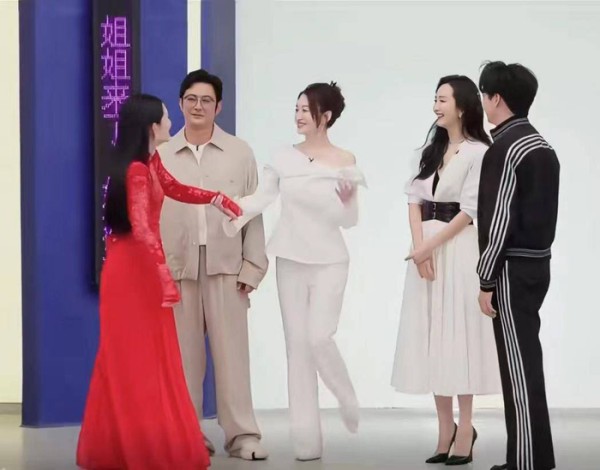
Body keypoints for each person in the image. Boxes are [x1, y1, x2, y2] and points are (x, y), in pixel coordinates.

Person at [76, 93, 241, 470]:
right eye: (167, 117)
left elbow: (177, 189)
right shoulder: (136, 171)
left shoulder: (151, 163)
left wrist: (216, 198)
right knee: (132, 359)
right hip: (133, 273)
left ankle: (138, 444)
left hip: (146, 269)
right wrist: (164, 276)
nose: (171, 122)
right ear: (152, 127)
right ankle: (136, 449)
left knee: (153, 358)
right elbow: (142, 228)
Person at [223, 81, 366, 461]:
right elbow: (262, 198)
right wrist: (232, 207)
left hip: (330, 260)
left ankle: (346, 395)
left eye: (306, 109)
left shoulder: (344, 159)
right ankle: (306, 442)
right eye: (297, 108)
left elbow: (349, 220)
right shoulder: (283, 157)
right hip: (289, 258)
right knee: (297, 349)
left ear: (326, 116)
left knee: (319, 337)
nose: (299, 115)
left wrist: (347, 201)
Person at [158, 69, 269, 460]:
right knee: (183, 362)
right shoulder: (162, 154)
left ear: (218, 107)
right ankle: (187, 436)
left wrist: (253, 267)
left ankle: (243, 436)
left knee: (232, 357)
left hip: (227, 266)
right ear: (180, 103)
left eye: (206, 100)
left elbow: (253, 212)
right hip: (178, 269)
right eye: (191, 99)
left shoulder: (240, 152)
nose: (198, 106)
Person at [391, 75, 501, 466]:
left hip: (458, 249)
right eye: (435, 99)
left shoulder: (479, 152)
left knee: (459, 336)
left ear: (462, 106)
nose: (436, 106)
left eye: (442, 99)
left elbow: (470, 211)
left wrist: (428, 247)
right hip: (425, 249)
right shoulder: (429, 150)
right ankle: (444, 430)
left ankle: (466, 428)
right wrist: (419, 247)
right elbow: (414, 200)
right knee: (432, 335)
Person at [477, 61, 559, 470]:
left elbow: (499, 220)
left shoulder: (505, 148)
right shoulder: (542, 146)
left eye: (484, 95)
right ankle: (531, 459)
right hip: (538, 265)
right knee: (526, 363)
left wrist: (486, 278)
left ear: (496, 98)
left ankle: (526, 463)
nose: (482, 102)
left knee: (519, 370)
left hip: (511, 270)